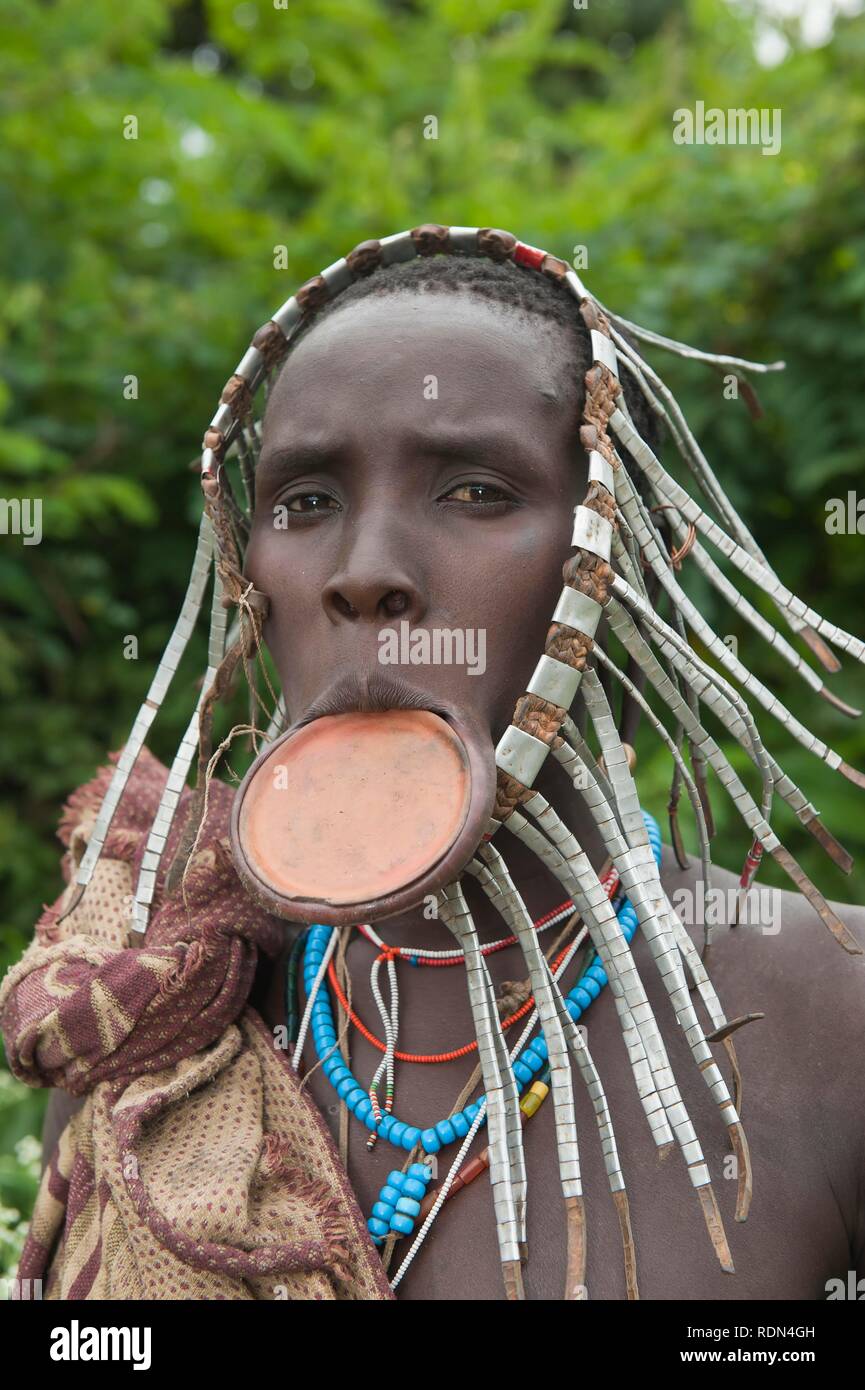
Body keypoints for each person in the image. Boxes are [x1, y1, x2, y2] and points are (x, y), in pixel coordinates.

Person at [3, 225, 864, 1302]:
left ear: (621, 559)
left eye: (472, 491)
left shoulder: (835, 1025)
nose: (364, 576)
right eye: (306, 502)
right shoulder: (156, 1013)